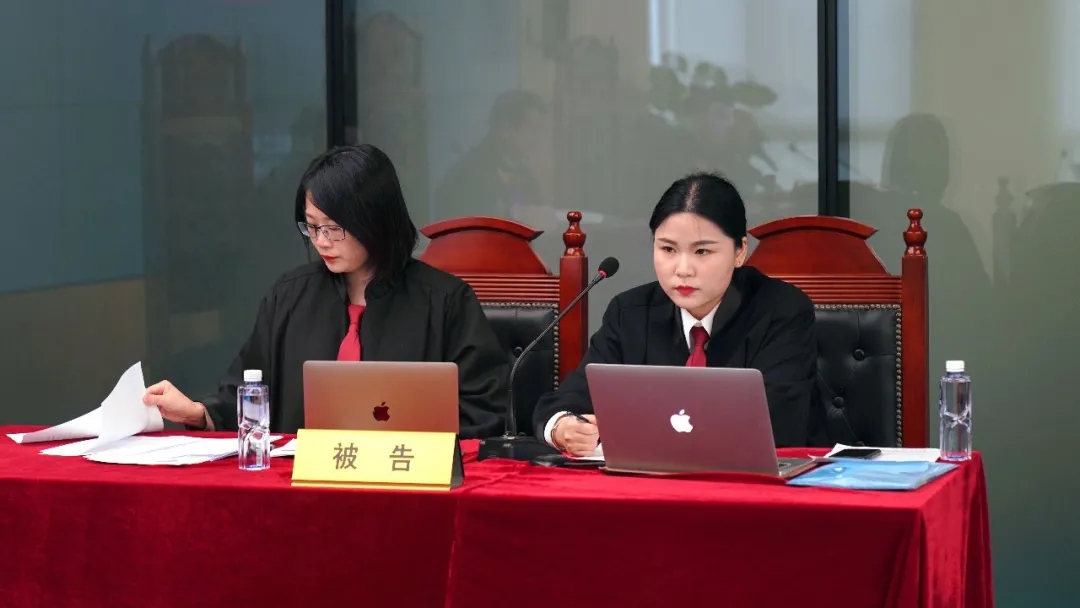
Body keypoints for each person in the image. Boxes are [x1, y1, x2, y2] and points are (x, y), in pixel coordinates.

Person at [143, 144, 509, 438]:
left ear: (375, 221)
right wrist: (199, 413)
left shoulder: (444, 302)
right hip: (301, 485)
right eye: (312, 227)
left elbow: (484, 412)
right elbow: (247, 390)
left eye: (334, 228)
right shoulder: (290, 298)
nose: (321, 241)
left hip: (405, 482)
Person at [533, 172, 826, 455]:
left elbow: (778, 425)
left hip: (759, 481)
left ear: (740, 252)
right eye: (668, 249)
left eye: (702, 252)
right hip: (648, 481)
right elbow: (567, 399)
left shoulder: (782, 311)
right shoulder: (630, 313)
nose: (683, 269)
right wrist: (562, 427)